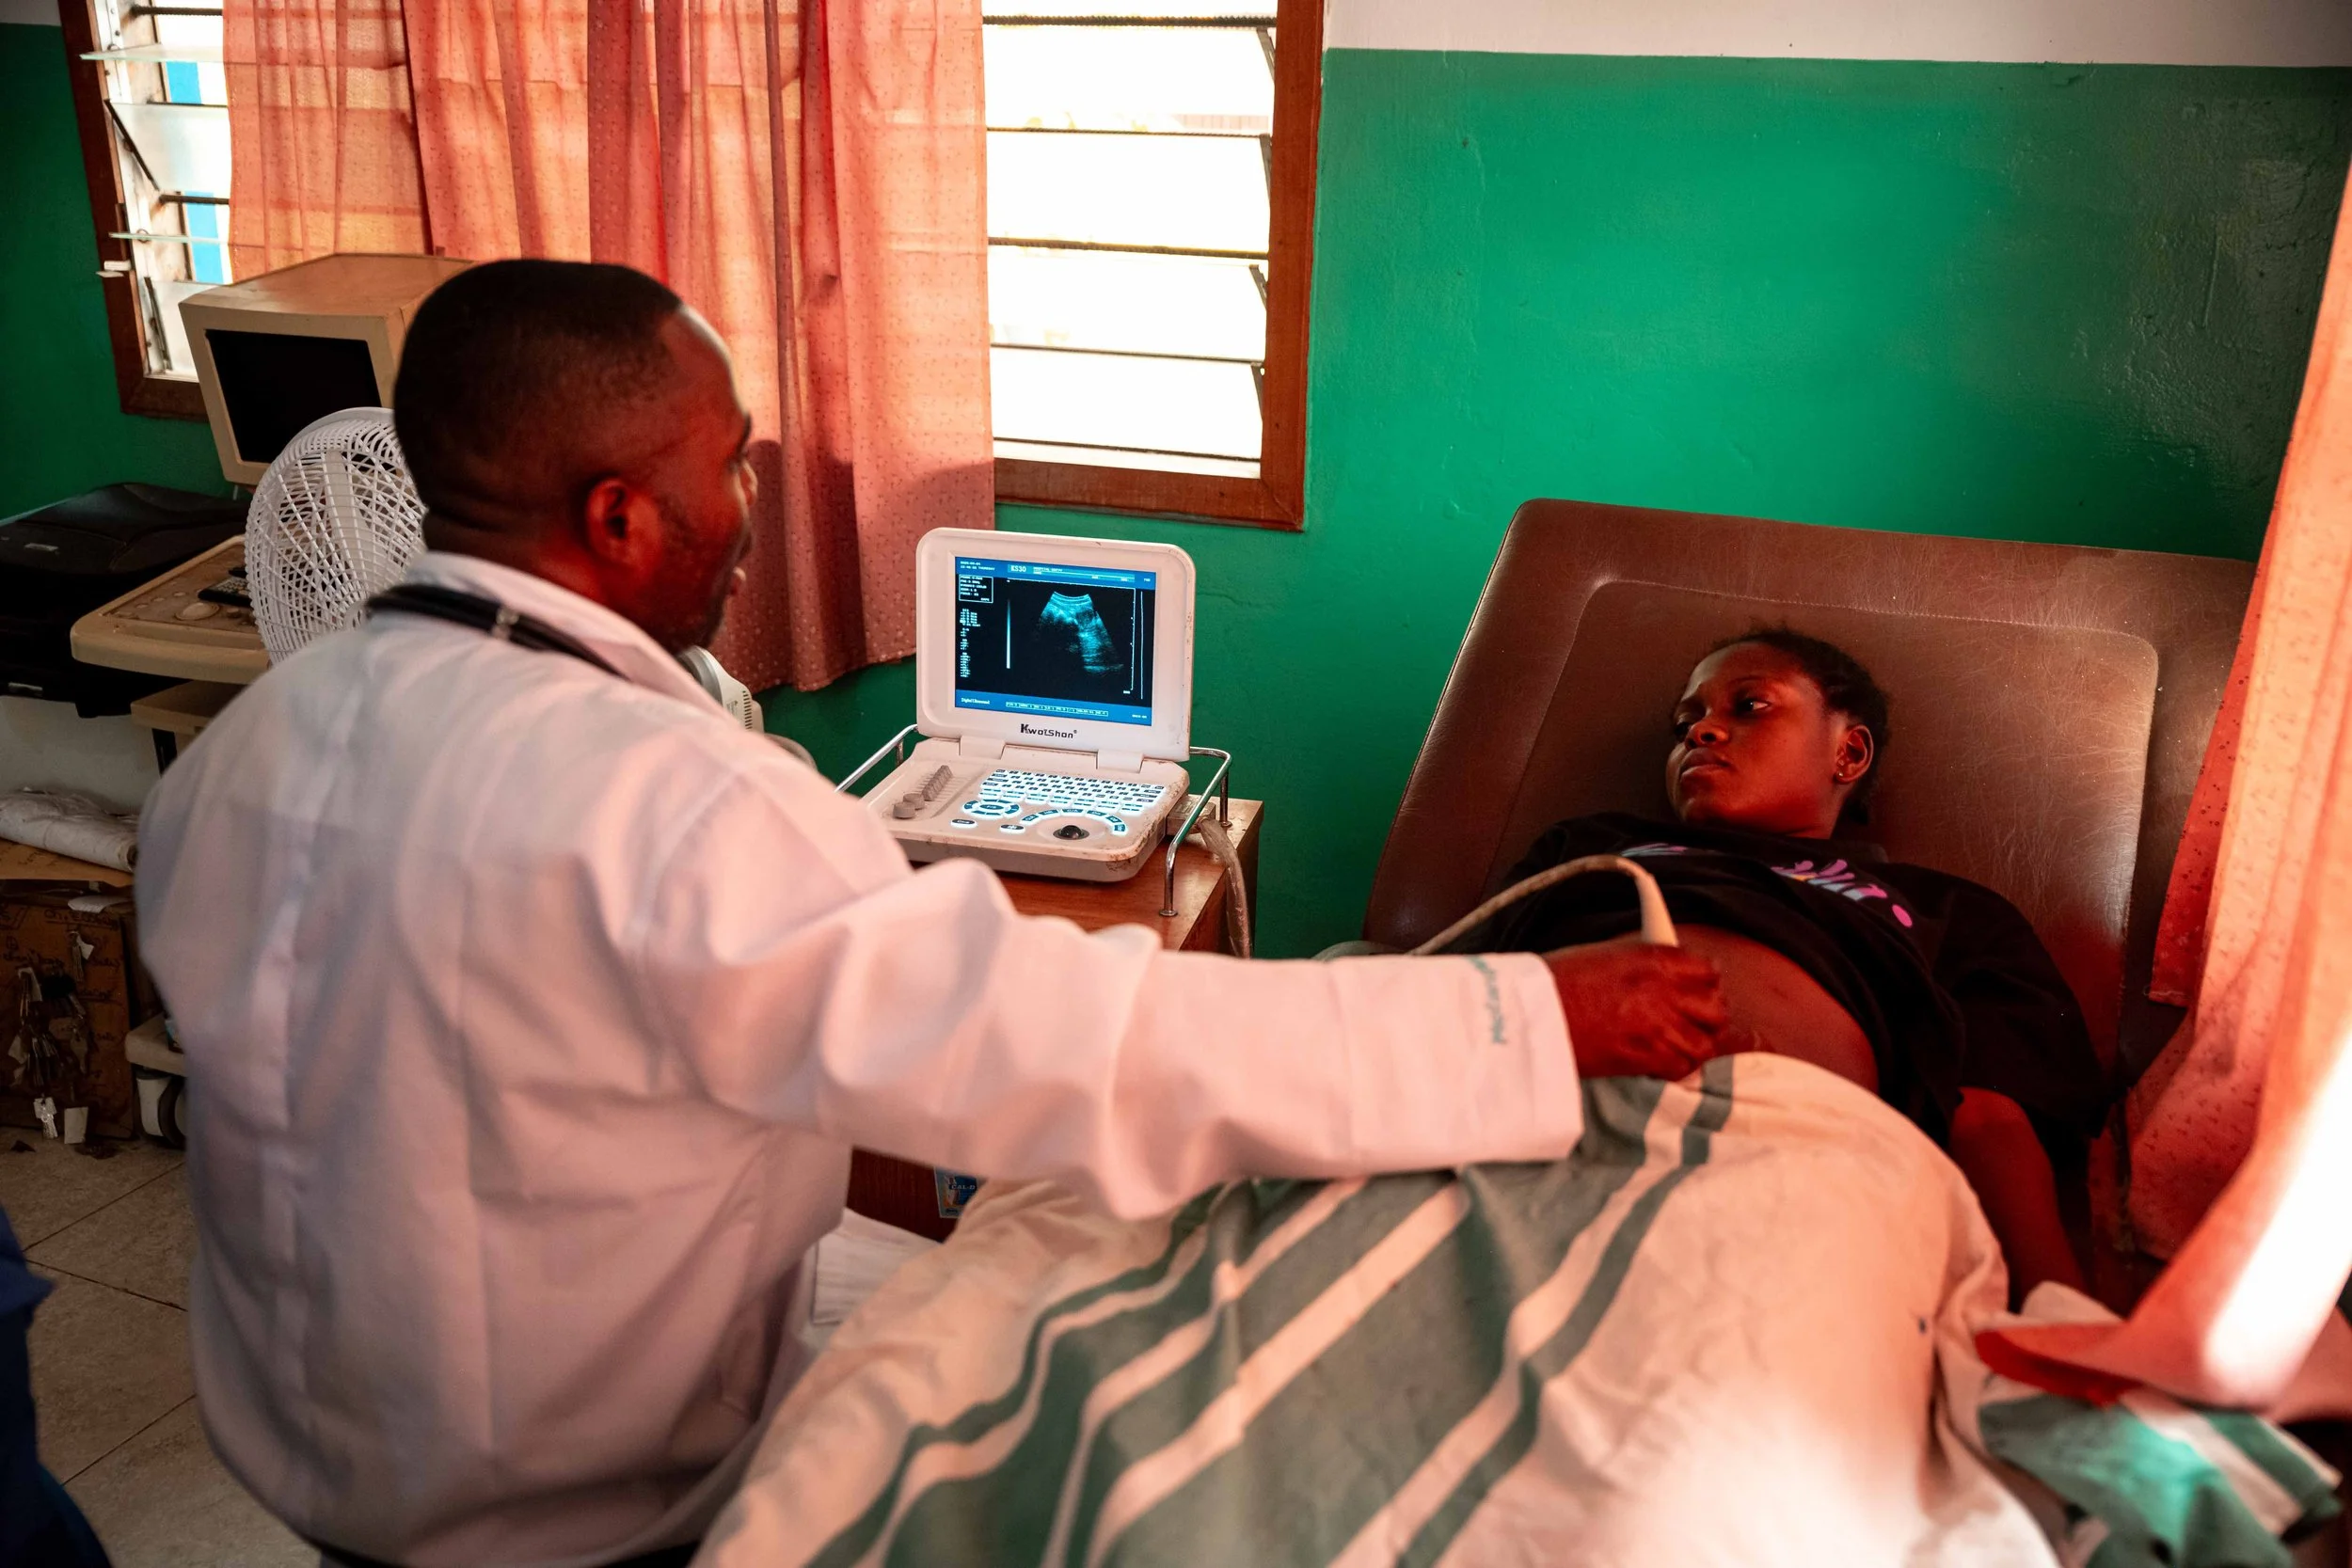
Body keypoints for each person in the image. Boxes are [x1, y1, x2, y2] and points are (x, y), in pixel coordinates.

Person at [132, 260, 1740, 1568]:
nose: (751, 499)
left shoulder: (245, 749)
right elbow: (1081, 1039)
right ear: (620, 519)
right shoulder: (669, 802)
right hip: (573, 1504)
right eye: (728, 461)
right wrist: (1526, 1015)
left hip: (306, 1442)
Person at [1473, 628, 2108, 1297]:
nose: (1703, 731)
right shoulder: (1590, 845)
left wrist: (2060, 1315)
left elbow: (1988, 1117)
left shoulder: (1943, 908)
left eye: (1749, 706)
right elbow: (1454, 991)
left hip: (1790, 1154)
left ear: (1848, 751)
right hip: (1535, 1104)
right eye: (1686, 722)